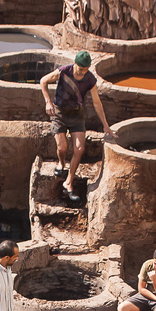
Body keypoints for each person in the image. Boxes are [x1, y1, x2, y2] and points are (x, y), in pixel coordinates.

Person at [40, 51, 113, 204]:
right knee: (63, 148)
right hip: (59, 112)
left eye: (85, 70)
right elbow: (43, 81)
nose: (82, 72)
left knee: (79, 149)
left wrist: (106, 125)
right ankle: (61, 163)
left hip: (77, 115)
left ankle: (69, 182)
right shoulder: (63, 72)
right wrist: (47, 102)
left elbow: (97, 103)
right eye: (80, 69)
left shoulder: (90, 79)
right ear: (75, 64)